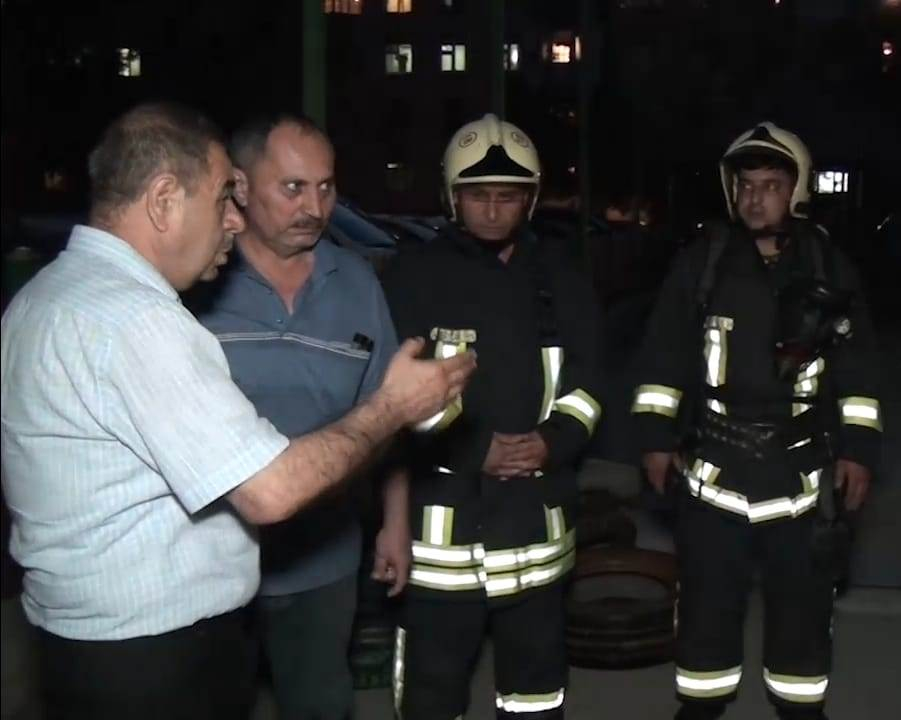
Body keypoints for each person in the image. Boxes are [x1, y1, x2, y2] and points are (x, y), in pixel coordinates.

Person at [0, 102, 475, 720]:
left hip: (83, 644)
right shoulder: (138, 321)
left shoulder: (45, 296)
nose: (232, 217)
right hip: (152, 661)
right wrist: (395, 405)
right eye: (224, 196)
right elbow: (270, 492)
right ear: (164, 200)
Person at [631, 122, 882, 720]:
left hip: (802, 479)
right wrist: (654, 439)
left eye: (770, 185)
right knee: (705, 614)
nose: (755, 198)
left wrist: (859, 451)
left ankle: (800, 709)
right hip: (713, 477)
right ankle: (701, 706)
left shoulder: (829, 266)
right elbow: (663, 356)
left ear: (796, 191)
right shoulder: (704, 263)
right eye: (745, 185)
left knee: (802, 618)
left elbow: (860, 371)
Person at [381, 114, 603, 720]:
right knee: (431, 693)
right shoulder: (414, 277)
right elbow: (387, 401)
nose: (493, 209)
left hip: (537, 528)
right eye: (478, 195)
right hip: (443, 538)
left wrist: (555, 441)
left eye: (508, 196)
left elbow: (590, 382)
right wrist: (473, 450)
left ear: (530, 199)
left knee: (535, 693)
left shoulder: (561, 276)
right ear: (452, 197)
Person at [188, 113, 410, 719]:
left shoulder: (357, 283)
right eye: (293, 188)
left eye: (326, 187)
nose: (315, 208)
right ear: (239, 186)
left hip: (324, 559)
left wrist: (395, 523)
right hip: (206, 563)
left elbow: (388, 414)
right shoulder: (196, 282)